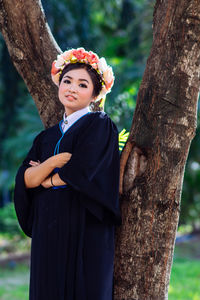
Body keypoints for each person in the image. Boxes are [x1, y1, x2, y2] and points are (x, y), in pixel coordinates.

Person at [13, 47, 122, 300]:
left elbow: (80, 171)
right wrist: (53, 163)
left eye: (82, 84)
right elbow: (26, 180)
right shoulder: (46, 137)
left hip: (85, 226)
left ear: (95, 94)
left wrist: (44, 177)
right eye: (67, 81)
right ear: (59, 85)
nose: (72, 88)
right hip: (47, 229)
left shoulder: (100, 126)